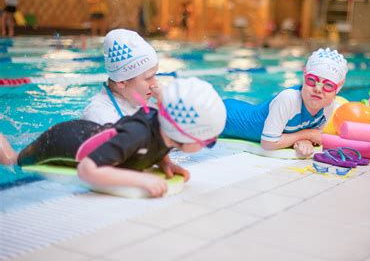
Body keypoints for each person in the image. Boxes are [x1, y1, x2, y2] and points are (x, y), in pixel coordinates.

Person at [0, 77, 226, 197]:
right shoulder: (137, 135)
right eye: (209, 141)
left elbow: (157, 143)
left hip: (86, 132)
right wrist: (142, 179)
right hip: (62, 142)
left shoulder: (164, 129)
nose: (209, 145)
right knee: (12, 159)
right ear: (184, 136)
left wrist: (166, 162)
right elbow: (87, 170)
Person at [82, 28, 184, 181]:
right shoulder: (100, 114)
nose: (155, 84)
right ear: (122, 81)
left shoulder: (142, 102)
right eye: (148, 78)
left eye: (155, 76)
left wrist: (163, 161)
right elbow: (110, 161)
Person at [221, 48, 348, 157]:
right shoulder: (288, 99)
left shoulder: (328, 106)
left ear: (338, 87)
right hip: (224, 115)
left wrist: (306, 140)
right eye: (311, 80)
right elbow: (268, 143)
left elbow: (313, 137)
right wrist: (306, 135)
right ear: (304, 76)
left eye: (329, 85)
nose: (318, 89)